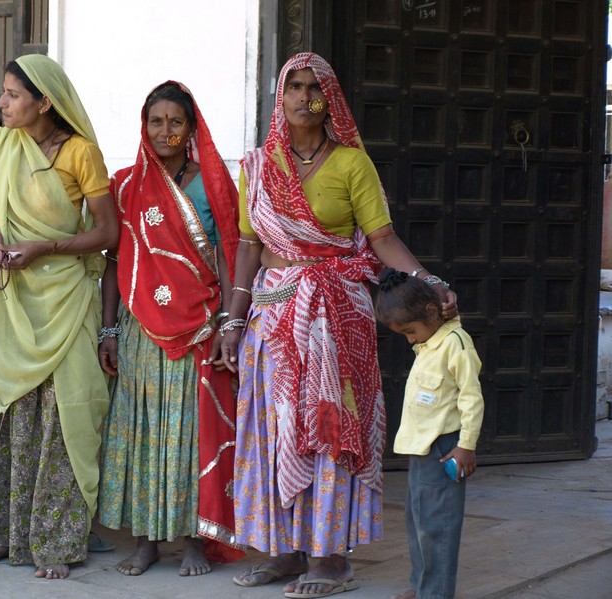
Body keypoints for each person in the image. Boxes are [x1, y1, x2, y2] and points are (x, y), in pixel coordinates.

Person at [219, 52, 458, 598]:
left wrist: (430, 281)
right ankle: (282, 550)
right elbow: (249, 246)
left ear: (331, 98)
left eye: (314, 87)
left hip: (333, 318)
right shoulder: (256, 166)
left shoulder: (353, 165)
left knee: (327, 431)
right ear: (279, 98)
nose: (304, 96)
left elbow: (383, 241)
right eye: (294, 87)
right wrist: (232, 320)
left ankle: (328, 558)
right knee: (271, 431)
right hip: (270, 315)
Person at [0, 54, 118, 580]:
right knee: (3, 418)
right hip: (8, 304)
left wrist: (47, 246)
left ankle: (54, 540)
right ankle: (0, 535)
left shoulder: (81, 154)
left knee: (63, 418)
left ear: (45, 101)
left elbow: (108, 234)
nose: (1, 103)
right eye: (3, 92)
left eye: (13, 95)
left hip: (64, 300)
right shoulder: (0, 144)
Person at [96, 81, 244, 577]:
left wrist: (228, 321)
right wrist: (108, 330)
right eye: (156, 122)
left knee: (190, 435)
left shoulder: (214, 182)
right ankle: (145, 541)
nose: (165, 132)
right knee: (142, 434)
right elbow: (115, 260)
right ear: (145, 126)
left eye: (175, 122)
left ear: (191, 127)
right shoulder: (126, 185)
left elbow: (229, 255)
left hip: (198, 326)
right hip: (141, 327)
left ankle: (195, 541)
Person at [374, 268, 484, 599]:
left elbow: (472, 400)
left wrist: (466, 446)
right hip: (422, 451)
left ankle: (436, 593)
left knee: (438, 528)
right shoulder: (429, 343)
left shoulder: (455, 344)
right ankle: (422, 586)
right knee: (419, 523)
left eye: (410, 331)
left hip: (445, 449)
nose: (409, 339)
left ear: (432, 312)